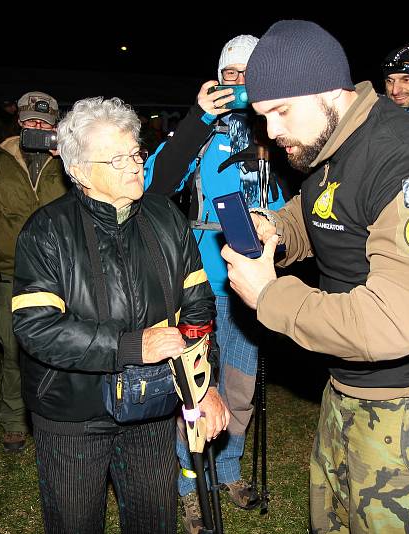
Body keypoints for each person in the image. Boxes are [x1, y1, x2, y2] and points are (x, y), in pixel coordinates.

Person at [221, 20, 409, 533]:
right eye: (261, 116)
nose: (270, 133)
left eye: (279, 112)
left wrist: (270, 296)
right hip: (348, 382)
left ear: (327, 90)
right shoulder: (328, 146)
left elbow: (389, 323)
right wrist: (274, 227)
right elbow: (315, 209)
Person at [11, 96, 230, 534]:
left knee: (155, 520)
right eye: (118, 158)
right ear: (78, 170)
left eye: (136, 153)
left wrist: (201, 386)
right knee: (74, 523)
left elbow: (199, 306)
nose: (135, 165)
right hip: (73, 411)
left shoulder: (165, 216)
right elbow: (37, 329)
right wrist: (132, 345)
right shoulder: (47, 231)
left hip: (152, 406)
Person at [143, 34, 288, 531]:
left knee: (240, 388)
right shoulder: (199, 132)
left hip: (253, 283)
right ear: (218, 79)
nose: (241, 85)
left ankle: (227, 469)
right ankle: (189, 484)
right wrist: (198, 118)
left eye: (252, 76)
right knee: (193, 389)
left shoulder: (282, 133)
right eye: (232, 75)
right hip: (200, 283)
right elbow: (156, 186)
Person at [0, 90, 68, 452]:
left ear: (56, 125)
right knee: (12, 348)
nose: (37, 127)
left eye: (44, 122)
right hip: (12, 273)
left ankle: (56, 416)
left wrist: (70, 155)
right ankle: (14, 419)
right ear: (20, 122)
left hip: (61, 273)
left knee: (61, 350)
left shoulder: (69, 159)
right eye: (30, 121)